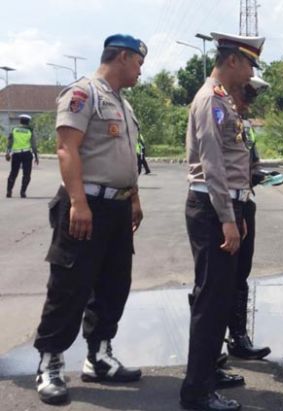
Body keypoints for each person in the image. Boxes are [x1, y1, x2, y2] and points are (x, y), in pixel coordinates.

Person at [32, 34, 147, 405]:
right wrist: (79, 203)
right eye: (138, 62)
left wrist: (134, 198)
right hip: (87, 205)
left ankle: (98, 357)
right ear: (123, 57)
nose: (141, 69)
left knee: (114, 284)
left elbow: (126, 156)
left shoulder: (122, 104)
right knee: (70, 285)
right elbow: (67, 148)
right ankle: (50, 363)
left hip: (117, 208)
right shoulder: (84, 94)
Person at [180, 32, 264, 411]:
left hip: (225, 208)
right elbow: (213, 167)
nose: (250, 73)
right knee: (211, 301)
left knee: (220, 296)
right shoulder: (211, 101)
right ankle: (196, 392)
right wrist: (228, 219)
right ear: (233, 60)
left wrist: (237, 213)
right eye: (249, 64)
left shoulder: (225, 101)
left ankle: (208, 373)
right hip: (213, 210)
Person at [217, 76, 273, 367]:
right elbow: (213, 167)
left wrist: (260, 175)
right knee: (216, 278)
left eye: (253, 98)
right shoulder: (220, 117)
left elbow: (250, 163)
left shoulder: (244, 125)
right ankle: (211, 347)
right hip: (224, 205)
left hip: (245, 202)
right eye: (247, 95)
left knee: (240, 273)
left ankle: (238, 337)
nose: (249, 102)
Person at [5, 114, 38, 198]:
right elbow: (33, 144)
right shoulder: (30, 130)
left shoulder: (14, 130)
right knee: (26, 174)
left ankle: (9, 191)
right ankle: (23, 192)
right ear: (28, 122)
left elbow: (9, 142)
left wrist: (8, 153)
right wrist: (36, 156)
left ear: (20, 121)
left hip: (16, 154)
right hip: (27, 154)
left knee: (13, 173)